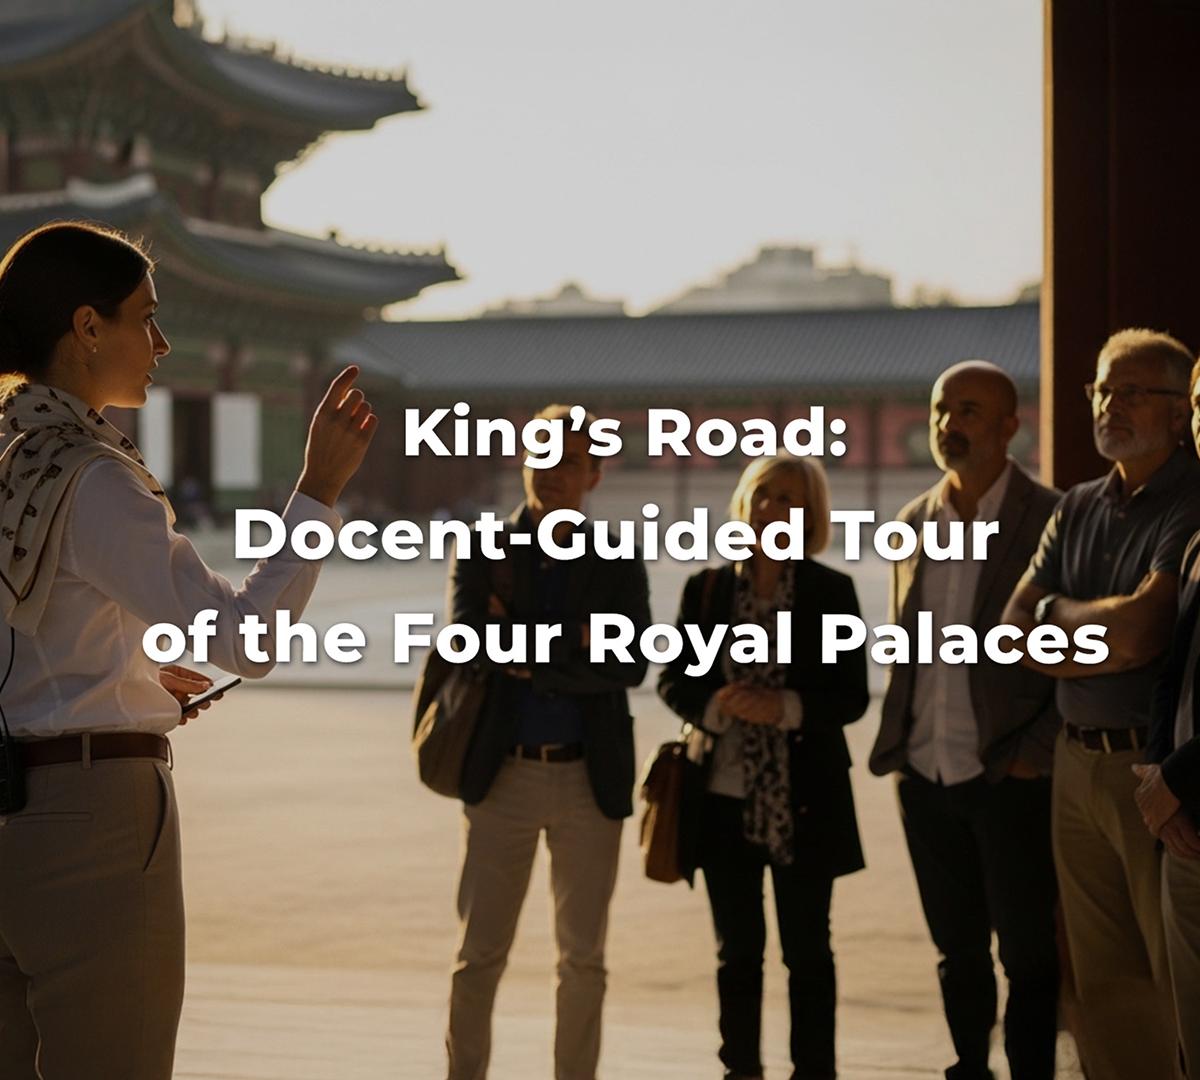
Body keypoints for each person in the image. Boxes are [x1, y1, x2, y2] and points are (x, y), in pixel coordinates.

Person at [0, 221, 376, 1080]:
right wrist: (317, 491)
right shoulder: (92, 477)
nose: (162, 345)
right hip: (88, 817)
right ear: (88, 328)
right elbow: (247, 638)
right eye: (147, 318)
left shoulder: (9, 455)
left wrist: (121, 673)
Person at [1003, 328, 1200, 1080]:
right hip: (1074, 757)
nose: (1109, 406)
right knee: (1100, 975)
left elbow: (1146, 632)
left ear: (1182, 413)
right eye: (1102, 389)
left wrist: (1054, 618)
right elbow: (1010, 632)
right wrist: (1088, 627)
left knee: (1173, 970)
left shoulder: (1191, 497)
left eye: (1132, 391)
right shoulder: (1079, 503)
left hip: (1151, 771)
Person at [443, 404, 650, 1080]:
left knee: (583, 958)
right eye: (542, 457)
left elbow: (629, 662)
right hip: (503, 772)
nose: (553, 473)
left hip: (590, 776)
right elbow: (472, 644)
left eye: (569, 461)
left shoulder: (616, 558)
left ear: (593, 473)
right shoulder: (483, 549)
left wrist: (527, 647)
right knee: (479, 955)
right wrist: (576, 643)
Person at [870, 361, 1061, 1079]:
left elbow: (1068, 653)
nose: (950, 424)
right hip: (924, 771)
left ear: (1012, 426)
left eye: (970, 411)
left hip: (1007, 770)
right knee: (956, 950)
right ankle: (968, 1067)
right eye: (941, 409)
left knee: (1028, 954)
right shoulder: (912, 523)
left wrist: (1032, 753)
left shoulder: (1050, 517)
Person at [658, 454, 868, 1080]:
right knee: (738, 955)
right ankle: (740, 1070)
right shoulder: (709, 588)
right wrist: (718, 706)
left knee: (808, 954)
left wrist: (785, 707)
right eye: (765, 494)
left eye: (791, 499)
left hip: (806, 798)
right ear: (745, 503)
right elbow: (673, 679)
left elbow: (852, 695)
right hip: (721, 797)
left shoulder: (832, 591)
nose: (774, 508)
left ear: (810, 515)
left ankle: (814, 1072)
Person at [1136, 353, 1200, 1078]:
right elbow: (1170, 670)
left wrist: (1175, 776)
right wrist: (1158, 775)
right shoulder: (1199, 541)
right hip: (1182, 814)